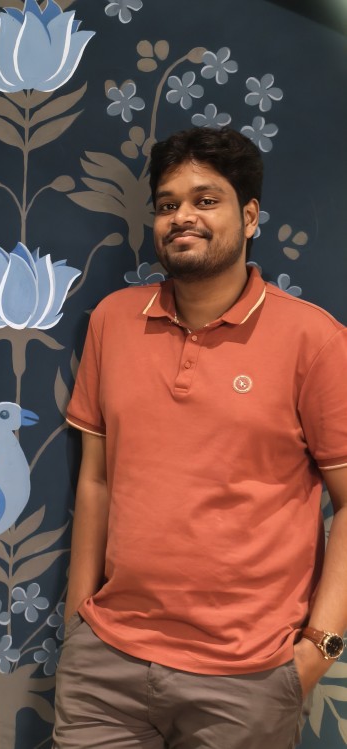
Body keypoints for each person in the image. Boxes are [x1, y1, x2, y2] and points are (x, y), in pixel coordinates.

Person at [52, 126, 347, 749]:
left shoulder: (315, 341)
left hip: (248, 677)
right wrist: (80, 620)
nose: (182, 216)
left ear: (250, 216)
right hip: (106, 663)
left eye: (205, 200)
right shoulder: (112, 321)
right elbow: (96, 478)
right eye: (167, 204)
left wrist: (318, 650)